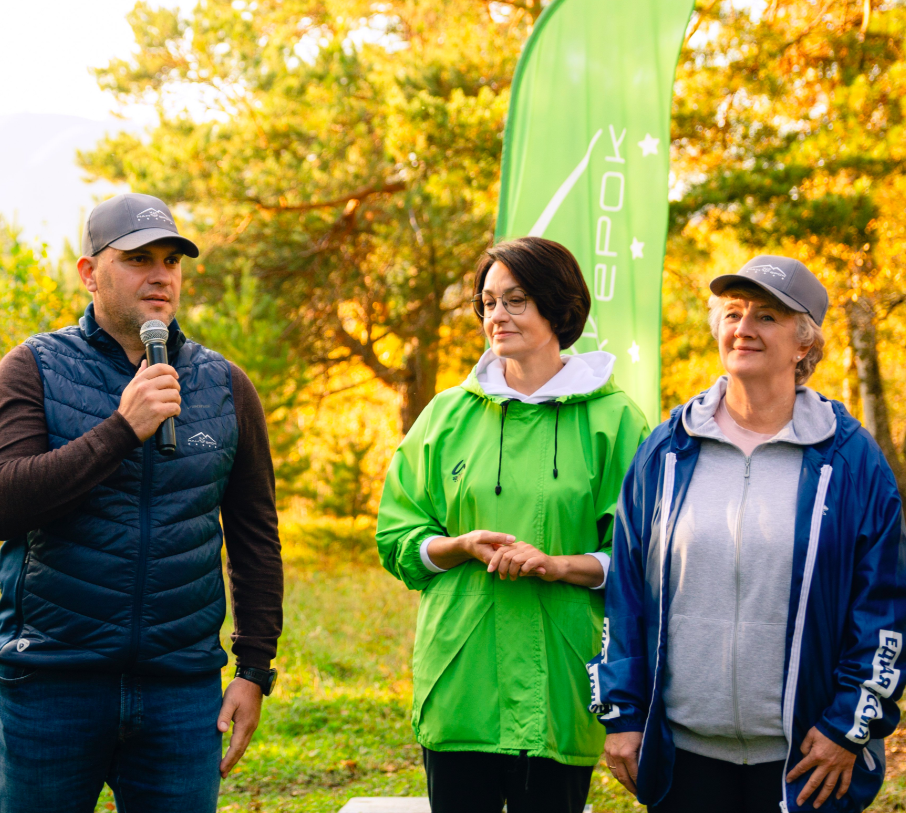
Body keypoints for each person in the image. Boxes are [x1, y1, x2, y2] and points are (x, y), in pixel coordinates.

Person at [0, 193, 284, 813]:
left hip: (181, 691)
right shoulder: (32, 369)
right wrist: (120, 429)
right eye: (139, 258)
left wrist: (253, 669)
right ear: (90, 273)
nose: (160, 275)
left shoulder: (224, 385)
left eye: (171, 260)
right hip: (52, 686)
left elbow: (255, 537)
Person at [591, 255, 906, 812]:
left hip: (803, 762)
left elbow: (883, 606)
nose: (743, 328)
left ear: (805, 343)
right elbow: (627, 595)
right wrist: (621, 713)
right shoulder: (667, 451)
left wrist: (845, 729)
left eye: (766, 317)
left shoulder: (852, 460)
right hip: (683, 756)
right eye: (732, 313)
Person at [376, 236, 650, 813]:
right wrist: (459, 545)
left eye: (516, 300)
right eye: (488, 302)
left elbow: (642, 556)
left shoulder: (615, 419)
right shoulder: (447, 416)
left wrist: (558, 566)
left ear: (560, 305)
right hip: (459, 678)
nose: (497, 315)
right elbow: (397, 536)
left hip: (560, 678)